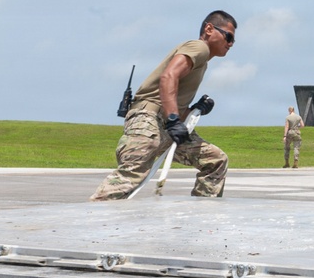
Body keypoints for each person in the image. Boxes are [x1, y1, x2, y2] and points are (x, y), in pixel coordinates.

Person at [90, 10, 237, 200]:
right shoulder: (199, 47)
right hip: (149, 121)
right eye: (229, 37)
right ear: (209, 29)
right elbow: (169, 76)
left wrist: (194, 110)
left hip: (165, 123)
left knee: (215, 161)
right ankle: (92, 218)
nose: (231, 44)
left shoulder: (202, 61)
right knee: (129, 177)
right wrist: (173, 119)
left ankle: (201, 215)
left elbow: (173, 100)